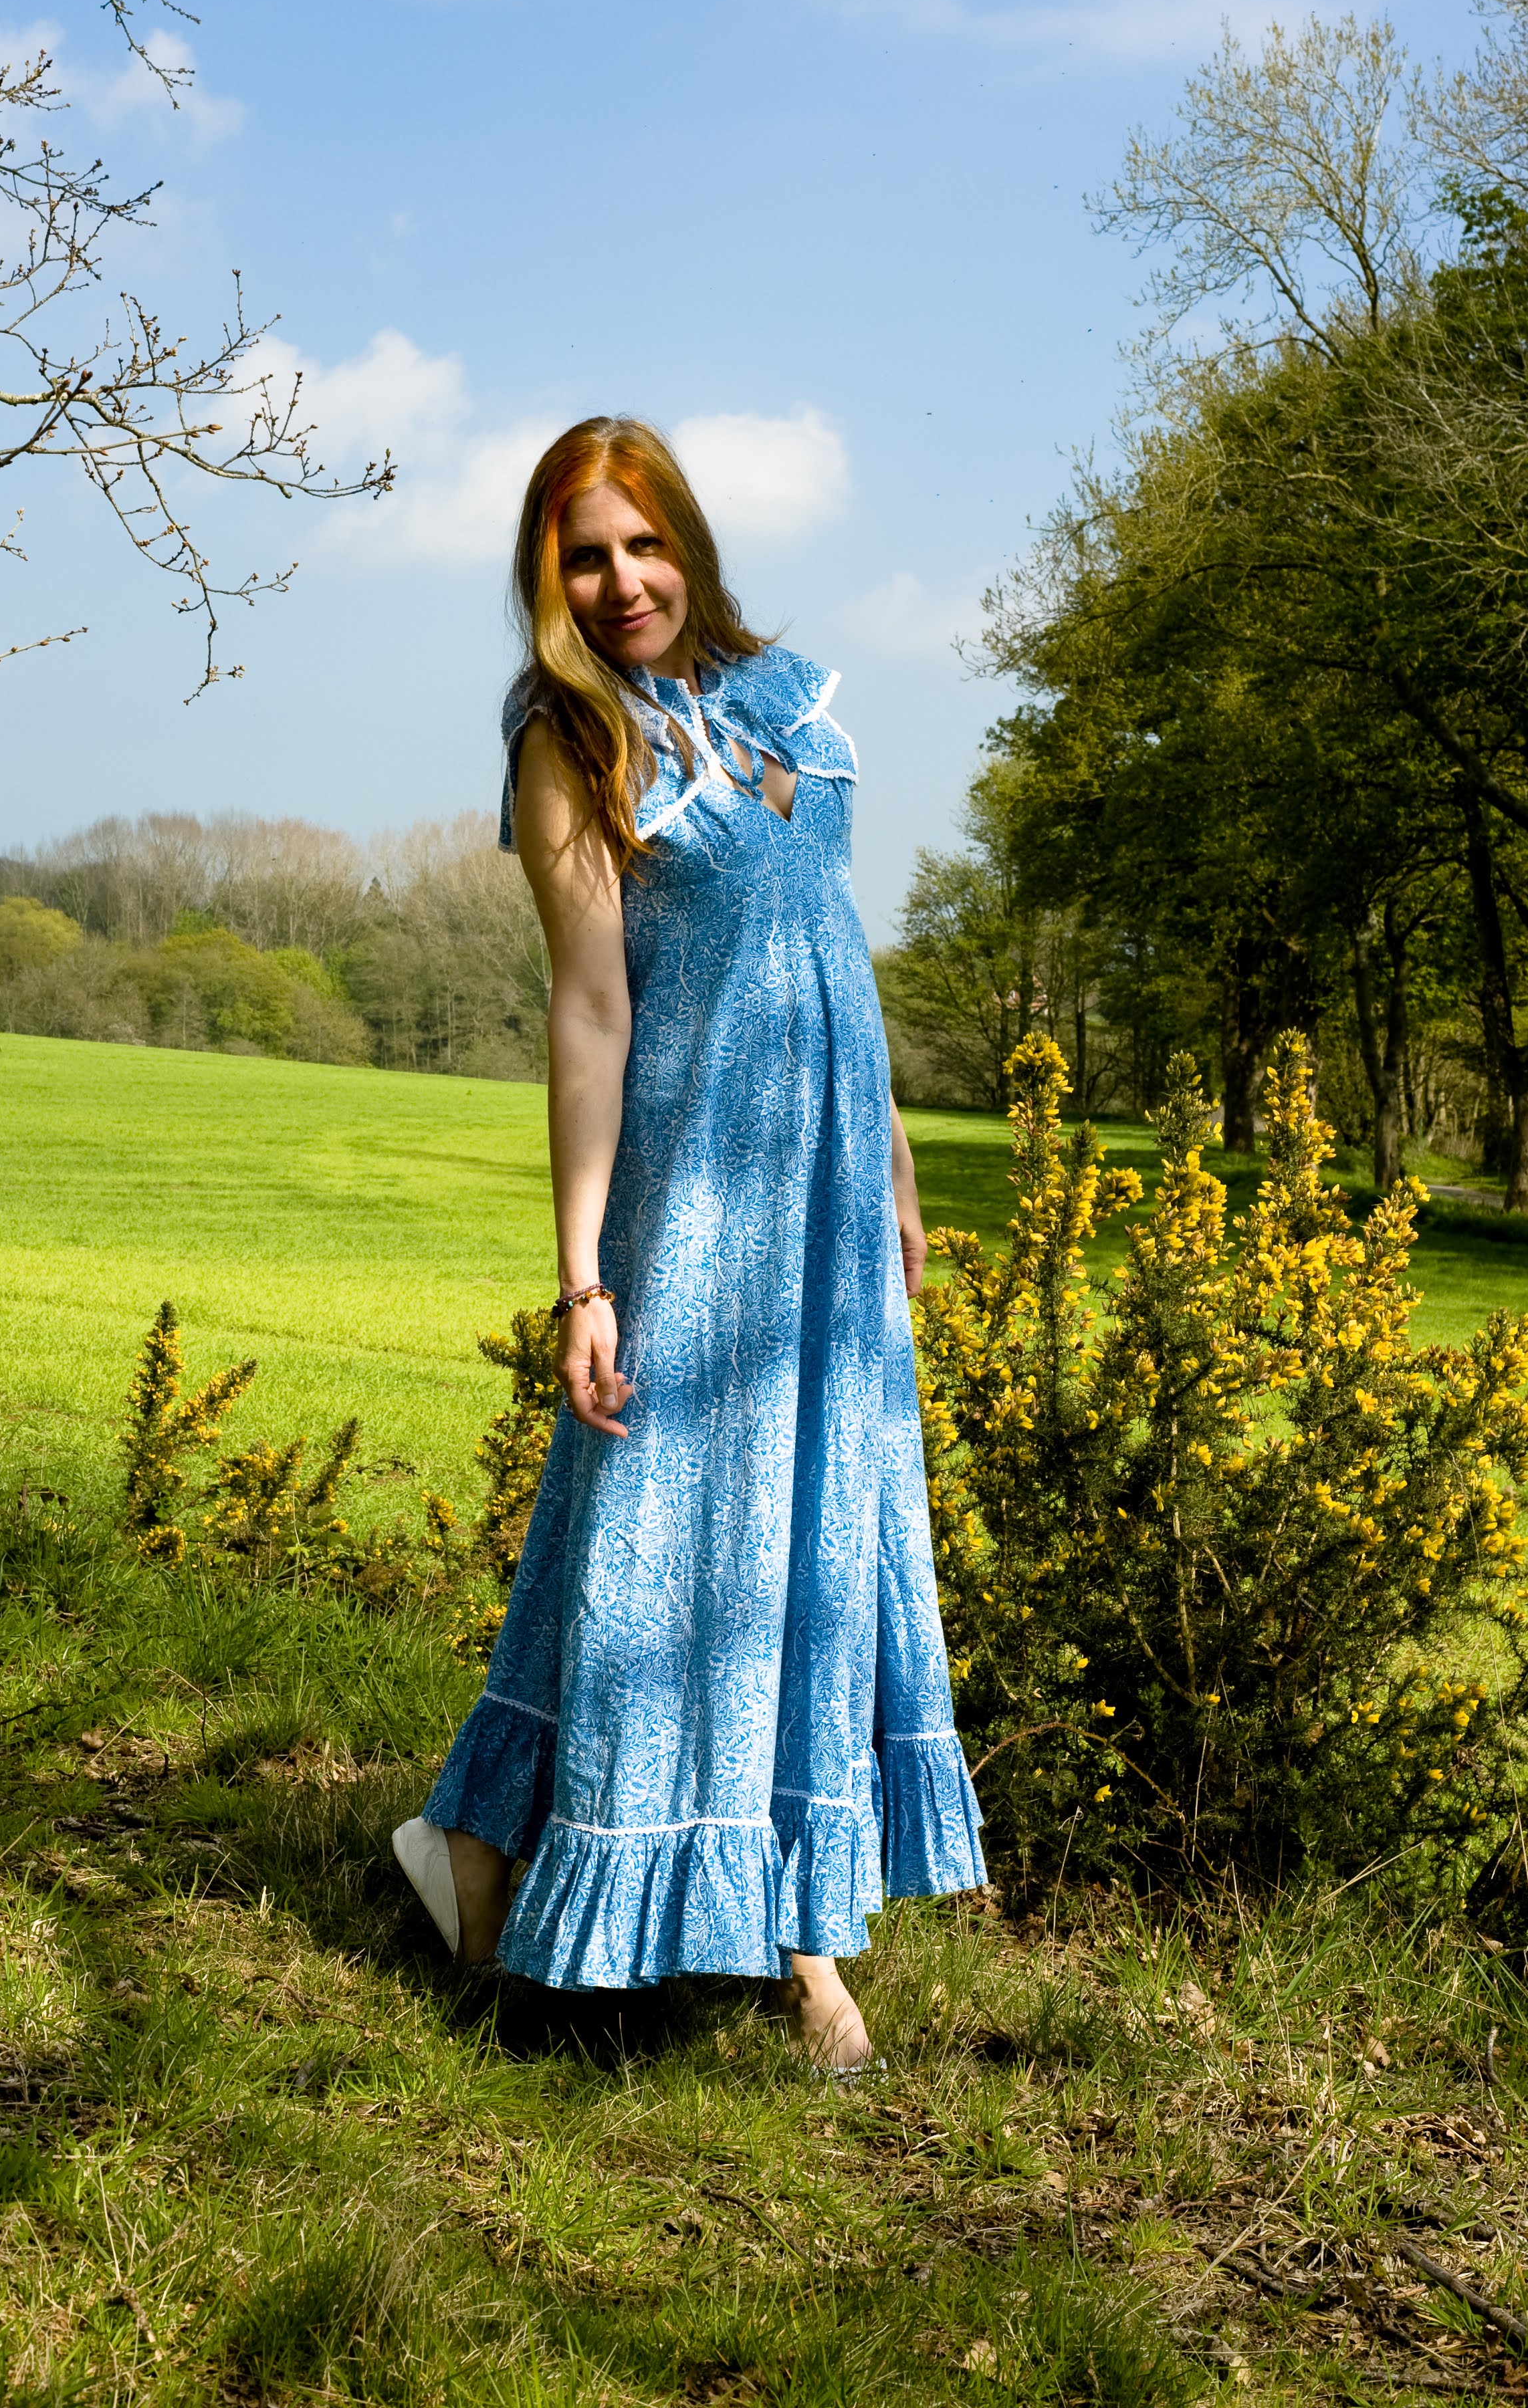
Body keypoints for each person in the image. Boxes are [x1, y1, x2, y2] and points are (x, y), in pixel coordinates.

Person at [393, 416, 984, 2072]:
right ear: (550, 578)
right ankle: (700, 1922)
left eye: (643, 544)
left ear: (689, 543)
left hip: (830, 1192)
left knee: (816, 1530)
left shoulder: (790, 699)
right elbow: (591, 1007)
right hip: (699, 1185)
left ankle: (559, 1863)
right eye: (584, 556)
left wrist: (894, 1159)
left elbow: (833, 942)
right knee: (667, 1528)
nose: (621, 580)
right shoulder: (570, 738)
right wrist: (583, 1275)